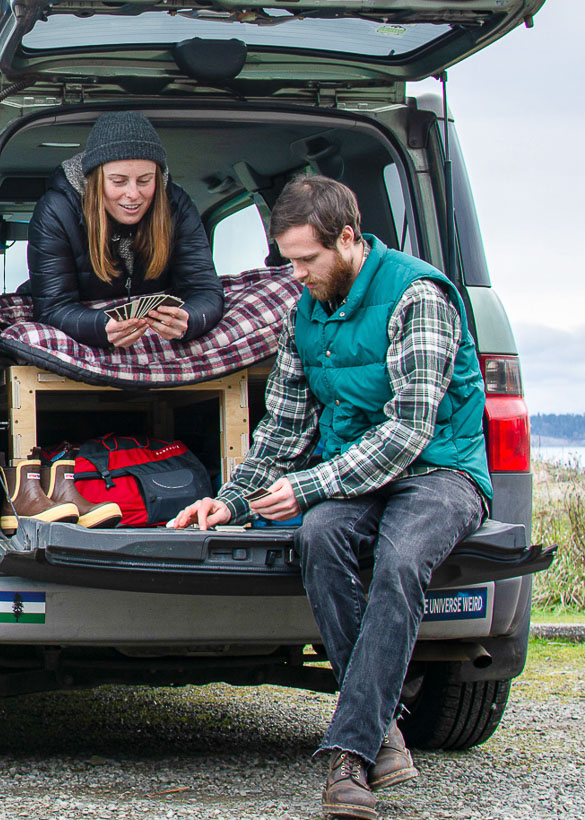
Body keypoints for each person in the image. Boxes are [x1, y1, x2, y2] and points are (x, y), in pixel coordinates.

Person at [170, 175, 491, 820]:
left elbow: (408, 431)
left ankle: (349, 756)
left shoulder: (418, 295)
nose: (297, 275)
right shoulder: (305, 310)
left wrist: (310, 485)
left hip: (440, 473)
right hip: (354, 474)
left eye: (306, 260)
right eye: (287, 260)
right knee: (317, 536)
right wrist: (232, 501)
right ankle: (383, 732)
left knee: (401, 561)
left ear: (348, 239)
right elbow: (284, 429)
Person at [27, 111, 224, 349]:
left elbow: (205, 289)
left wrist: (190, 319)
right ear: (95, 180)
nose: (133, 194)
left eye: (144, 181)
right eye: (118, 182)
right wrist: (100, 328)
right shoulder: (56, 211)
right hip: (91, 323)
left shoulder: (177, 205)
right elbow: (53, 308)